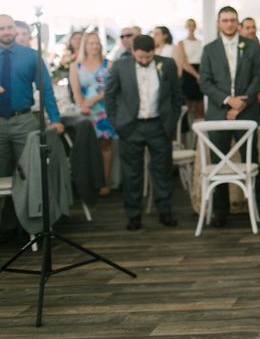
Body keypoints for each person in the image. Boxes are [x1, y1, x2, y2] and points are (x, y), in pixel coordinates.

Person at [199, 6, 260, 227]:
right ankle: (221, 210)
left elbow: (259, 77)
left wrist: (242, 103)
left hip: (246, 111)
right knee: (218, 163)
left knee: (251, 159)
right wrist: (228, 101)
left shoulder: (251, 46)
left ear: (237, 23)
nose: (229, 24)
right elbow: (205, 82)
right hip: (219, 112)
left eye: (232, 20)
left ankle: (258, 206)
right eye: (225, 20)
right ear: (219, 23)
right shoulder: (209, 49)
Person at [105, 34, 182, 230]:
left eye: (148, 57)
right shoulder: (120, 66)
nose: (145, 61)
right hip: (131, 127)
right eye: (141, 58)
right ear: (133, 52)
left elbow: (176, 95)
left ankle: (165, 212)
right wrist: (117, 123)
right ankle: (134, 215)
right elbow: (110, 96)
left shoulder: (168, 64)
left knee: (163, 171)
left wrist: (171, 122)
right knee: (131, 174)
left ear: (154, 52)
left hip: (159, 125)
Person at [0, 14, 65, 241]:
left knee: (31, 173)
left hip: (24, 120)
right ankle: (7, 227)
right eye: (1, 29)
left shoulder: (30, 56)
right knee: (2, 174)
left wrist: (55, 119)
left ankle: (36, 228)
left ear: (16, 31)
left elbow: (46, 90)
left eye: (9, 28)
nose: (6, 32)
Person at [69, 31, 117, 196]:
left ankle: (105, 181)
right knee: (87, 146)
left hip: (104, 110)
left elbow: (112, 88)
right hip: (85, 111)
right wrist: (82, 105)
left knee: (105, 145)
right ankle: (90, 181)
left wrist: (95, 99)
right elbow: (75, 90)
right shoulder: (76, 66)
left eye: (97, 43)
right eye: (91, 43)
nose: (94, 46)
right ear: (85, 45)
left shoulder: (108, 65)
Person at [240, 17, 260, 103]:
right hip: (240, 97)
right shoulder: (237, 49)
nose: (251, 30)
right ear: (241, 30)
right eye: (248, 28)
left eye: (253, 27)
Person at [177, 18, 204, 119]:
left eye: (193, 25)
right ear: (186, 27)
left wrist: (200, 75)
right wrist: (197, 75)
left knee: (200, 107)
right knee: (187, 106)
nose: (191, 27)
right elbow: (184, 62)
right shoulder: (181, 43)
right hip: (188, 74)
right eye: (189, 25)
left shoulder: (201, 42)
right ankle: (188, 134)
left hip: (200, 71)